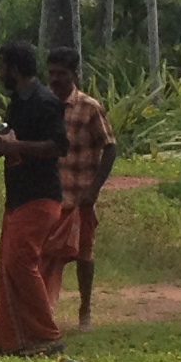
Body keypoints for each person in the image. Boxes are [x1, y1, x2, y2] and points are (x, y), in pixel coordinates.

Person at [0, 42, 69, 357]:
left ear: (14, 69)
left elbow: (58, 146)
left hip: (39, 195)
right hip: (18, 196)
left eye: (2, 66)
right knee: (7, 266)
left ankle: (46, 335)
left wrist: (17, 148)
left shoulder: (45, 102)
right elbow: (6, 142)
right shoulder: (18, 101)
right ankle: (13, 339)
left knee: (20, 262)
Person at [57, 57, 118, 325]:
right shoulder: (46, 105)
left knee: (84, 255)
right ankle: (45, 309)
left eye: (61, 72)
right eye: (51, 73)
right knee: (47, 255)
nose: (55, 79)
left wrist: (94, 189)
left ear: (73, 73)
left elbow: (110, 147)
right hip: (52, 195)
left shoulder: (89, 107)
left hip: (80, 194)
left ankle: (85, 309)